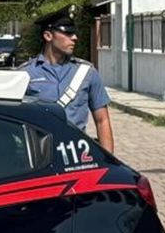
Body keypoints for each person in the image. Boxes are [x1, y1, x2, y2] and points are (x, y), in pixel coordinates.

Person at [22, 16, 114, 152]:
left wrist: (109, 162)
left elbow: (102, 121)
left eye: (74, 33)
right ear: (48, 36)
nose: (75, 37)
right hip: (41, 155)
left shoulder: (87, 72)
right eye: (68, 33)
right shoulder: (25, 74)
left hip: (76, 155)